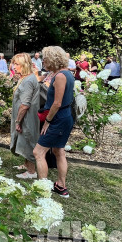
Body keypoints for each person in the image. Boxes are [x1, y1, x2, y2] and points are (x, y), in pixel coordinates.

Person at [32, 46, 75, 198]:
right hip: (64, 117)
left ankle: (43, 187)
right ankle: (60, 186)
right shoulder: (64, 73)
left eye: (46, 58)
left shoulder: (61, 76)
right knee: (58, 151)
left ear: (54, 59)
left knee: (38, 152)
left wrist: (47, 122)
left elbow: (57, 103)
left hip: (58, 119)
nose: (43, 61)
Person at [10, 54, 40, 179]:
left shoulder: (28, 81)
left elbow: (25, 104)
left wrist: (18, 121)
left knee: (28, 140)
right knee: (23, 140)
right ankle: (26, 165)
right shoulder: (26, 77)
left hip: (27, 117)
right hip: (24, 116)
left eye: (16, 64)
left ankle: (32, 172)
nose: (13, 66)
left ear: (24, 65)